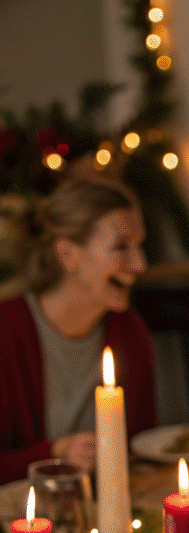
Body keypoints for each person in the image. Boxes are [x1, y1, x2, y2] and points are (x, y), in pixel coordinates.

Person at [0, 175, 157, 485]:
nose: (140, 265)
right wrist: (54, 453)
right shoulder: (6, 332)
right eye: (121, 247)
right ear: (67, 254)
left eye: (139, 246)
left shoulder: (130, 333)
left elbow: (140, 453)